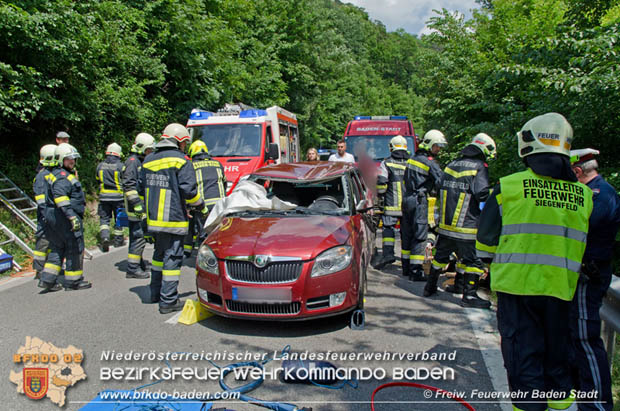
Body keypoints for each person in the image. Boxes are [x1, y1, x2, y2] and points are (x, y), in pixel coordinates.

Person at [476, 113, 593, 411]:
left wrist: (489, 267)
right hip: (561, 289)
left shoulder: (509, 186)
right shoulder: (583, 194)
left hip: (518, 288)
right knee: (558, 355)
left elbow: (486, 239)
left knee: (523, 355)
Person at [569, 148, 620, 411]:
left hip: (588, 275)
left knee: (585, 339)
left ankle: (597, 404)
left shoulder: (598, 195)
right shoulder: (602, 192)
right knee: (577, 338)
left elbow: (582, 232)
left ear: (577, 171)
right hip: (586, 274)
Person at [423, 133, 495, 310]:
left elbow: (438, 186)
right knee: (474, 262)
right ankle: (469, 295)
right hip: (467, 227)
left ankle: (430, 287)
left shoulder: (452, 164)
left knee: (440, 258)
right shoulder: (479, 166)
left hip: (447, 226)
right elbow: (482, 194)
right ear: (484, 149)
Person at [140, 123, 206, 314]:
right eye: (185, 143)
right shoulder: (181, 161)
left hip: (153, 220)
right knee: (172, 258)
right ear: (179, 141)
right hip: (173, 218)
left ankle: (155, 293)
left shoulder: (148, 159)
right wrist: (199, 205)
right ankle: (168, 301)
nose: (185, 146)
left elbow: (140, 188)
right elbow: (189, 190)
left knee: (158, 256)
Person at [40, 143, 92, 291]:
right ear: (60, 159)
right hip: (64, 217)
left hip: (55, 216)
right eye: (69, 159)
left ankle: (47, 280)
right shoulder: (63, 177)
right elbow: (61, 198)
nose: (72, 162)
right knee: (74, 247)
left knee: (57, 247)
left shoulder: (56, 174)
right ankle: (73, 281)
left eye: (73, 159)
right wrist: (72, 217)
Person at [401, 130, 445, 281]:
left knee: (407, 234)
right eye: (437, 146)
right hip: (419, 201)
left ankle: (406, 268)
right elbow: (441, 182)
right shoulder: (430, 162)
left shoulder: (413, 158)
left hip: (407, 199)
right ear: (430, 145)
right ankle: (416, 271)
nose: (438, 149)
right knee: (420, 236)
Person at [183, 140, 226, 257]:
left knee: (204, 233)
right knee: (218, 232)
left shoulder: (191, 166)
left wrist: (187, 205)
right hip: (220, 205)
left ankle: (205, 260)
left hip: (203, 206)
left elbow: (189, 188)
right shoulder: (218, 164)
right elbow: (224, 183)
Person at [122, 133, 155, 279]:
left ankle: (139, 263)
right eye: (149, 150)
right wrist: (137, 205)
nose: (150, 153)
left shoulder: (138, 161)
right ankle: (133, 268)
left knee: (138, 234)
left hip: (139, 206)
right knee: (138, 236)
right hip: (136, 208)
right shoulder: (132, 162)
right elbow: (128, 186)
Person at [373, 136, 409, 269]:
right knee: (406, 232)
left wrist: (379, 194)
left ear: (391, 147)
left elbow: (382, 184)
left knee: (388, 230)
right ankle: (406, 261)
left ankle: (388, 254)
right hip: (408, 206)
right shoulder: (411, 163)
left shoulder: (386, 163)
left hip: (391, 205)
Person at [32, 144, 57, 280]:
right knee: (43, 241)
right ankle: (39, 269)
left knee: (53, 241)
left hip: (52, 213)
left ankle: (50, 268)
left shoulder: (50, 174)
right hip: (46, 215)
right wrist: (47, 215)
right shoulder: (42, 176)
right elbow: (41, 200)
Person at [96, 143, 125, 252]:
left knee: (104, 219)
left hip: (104, 198)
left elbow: (97, 179)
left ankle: (105, 237)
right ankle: (118, 241)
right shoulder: (121, 166)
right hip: (118, 198)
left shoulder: (100, 166)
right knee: (119, 219)